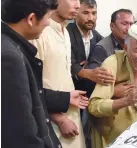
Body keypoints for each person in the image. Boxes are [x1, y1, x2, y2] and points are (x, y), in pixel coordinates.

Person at [1, 0, 88, 147]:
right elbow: (21, 127)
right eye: (48, 17)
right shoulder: (10, 56)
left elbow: (31, 91)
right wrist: (59, 118)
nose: (48, 23)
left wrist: (65, 97)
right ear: (31, 19)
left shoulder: (64, 31)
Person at [88, 24, 137, 148]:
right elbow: (94, 106)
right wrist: (126, 101)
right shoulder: (111, 64)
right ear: (126, 48)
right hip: (111, 137)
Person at [29, 0, 87, 147]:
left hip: (71, 113)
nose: (78, 5)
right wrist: (58, 118)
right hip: (52, 121)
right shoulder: (39, 33)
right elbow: (32, 86)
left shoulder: (65, 31)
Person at [84, 9, 135, 97]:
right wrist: (112, 91)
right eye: (124, 24)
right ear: (112, 26)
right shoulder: (102, 48)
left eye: (131, 24)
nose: (128, 28)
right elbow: (91, 81)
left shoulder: (134, 44)